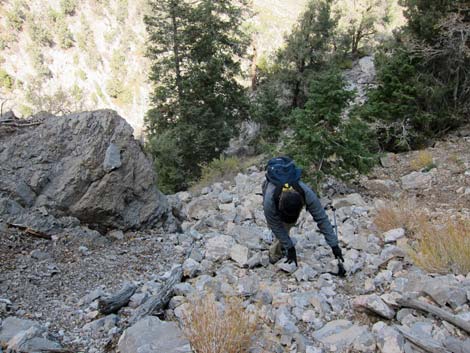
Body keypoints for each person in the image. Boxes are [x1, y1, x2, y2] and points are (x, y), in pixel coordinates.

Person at [262, 156, 344, 267]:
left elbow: (321, 218)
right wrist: (290, 247)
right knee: (281, 226)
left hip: (289, 199)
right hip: (271, 191)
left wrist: (334, 245)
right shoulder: (269, 200)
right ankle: (275, 254)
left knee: (288, 224)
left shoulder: (306, 193)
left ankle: (282, 242)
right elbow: (274, 224)